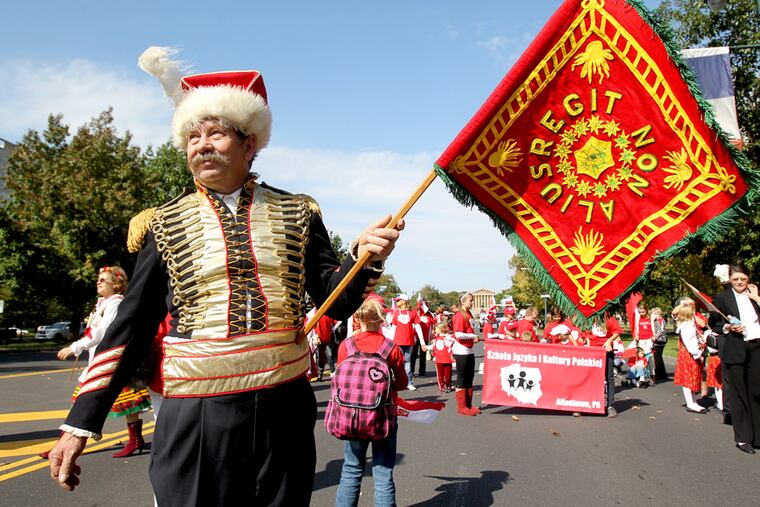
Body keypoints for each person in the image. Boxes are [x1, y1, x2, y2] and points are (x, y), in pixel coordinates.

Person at [48, 47, 403, 506]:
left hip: (283, 407)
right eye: (193, 137)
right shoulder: (164, 222)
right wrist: (81, 422)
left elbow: (333, 299)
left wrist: (364, 258)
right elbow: (131, 324)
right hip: (195, 410)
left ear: (249, 143)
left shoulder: (298, 212)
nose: (202, 145)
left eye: (216, 133)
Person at [44, 266, 152, 459]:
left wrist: (75, 347)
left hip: (110, 361)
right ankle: (63, 443)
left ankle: (135, 440)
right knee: (79, 401)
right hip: (98, 361)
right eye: (98, 279)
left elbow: (101, 332)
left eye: (103, 280)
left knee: (125, 404)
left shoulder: (116, 304)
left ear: (116, 284)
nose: (98, 282)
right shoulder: (103, 303)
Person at [335, 298, 407, 507]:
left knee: (351, 468)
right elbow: (401, 383)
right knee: (383, 472)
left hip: (352, 416)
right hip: (382, 415)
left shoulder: (346, 346)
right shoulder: (390, 348)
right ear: (381, 319)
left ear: (358, 318)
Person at [708, 263, 760, 454]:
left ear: (749, 279)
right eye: (736, 279)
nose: (740, 282)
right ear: (730, 279)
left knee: (756, 391)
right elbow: (713, 323)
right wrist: (728, 328)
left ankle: (758, 434)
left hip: (756, 347)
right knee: (738, 393)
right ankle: (743, 438)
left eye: (743, 279)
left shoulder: (755, 294)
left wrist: (757, 298)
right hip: (735, 348)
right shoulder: (722, 298)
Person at [673, 299, 708, 414]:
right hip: (689, 355)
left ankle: (692, 401)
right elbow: (690, 343)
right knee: (688, 379)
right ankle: (690, 403)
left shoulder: (688, 324)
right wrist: (697, 354)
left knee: (692, 378)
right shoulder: (686, 327)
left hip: (689, 354)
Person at [588, 314, 623, 417]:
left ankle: (610, 405)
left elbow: (617, 331)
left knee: (609, 377)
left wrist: (609, 341)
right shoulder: (589, 318)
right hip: (593, 351)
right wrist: (588, 347)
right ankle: (588, 403)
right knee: (591, 377)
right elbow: (586, 335)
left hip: (607, 351)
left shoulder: (609, 318)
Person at [452, 292, 480, 416]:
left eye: (472, 300)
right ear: (463, 302)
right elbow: (458, 334)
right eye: (470, 300)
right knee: (461, 378)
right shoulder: (459, 315)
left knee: (469, 378)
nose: (472, 302)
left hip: (469, 350)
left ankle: (468, 404)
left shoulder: (469, 314)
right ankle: (461, 406)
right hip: (461, 350)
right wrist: (473, 336)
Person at [390, 294, 426, 390]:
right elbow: (393, 328)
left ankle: (409, 382)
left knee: (407, 362)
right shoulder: (396, 313)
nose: (397, 302)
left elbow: (418, 327)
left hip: (409, 342)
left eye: (398, 300)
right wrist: (389, 342)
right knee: (398, 363)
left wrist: (422, 342)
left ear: (404, 301)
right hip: (397, 342)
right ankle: (398, 382)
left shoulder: (412, 312)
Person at [431, 321, 454, 393]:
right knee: (440, 374)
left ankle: (448, 385)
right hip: (438, 358)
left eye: (436, 329)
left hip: (447, 358)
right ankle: (442, 386)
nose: (435, 330)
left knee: (448, 374)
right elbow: (434, 346)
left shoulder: (448, 337)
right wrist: (427, 347)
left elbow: (452, 343)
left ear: (441, 329)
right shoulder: (436, 338)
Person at [650, 307, 668, 382]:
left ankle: (659, 374)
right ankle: (662, 374)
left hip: (659, 341)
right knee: (658, 357)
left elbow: (661, 331)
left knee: (657, 357)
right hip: (659, 340)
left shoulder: (660, 320)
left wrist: (655, 337)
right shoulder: (658, 320)